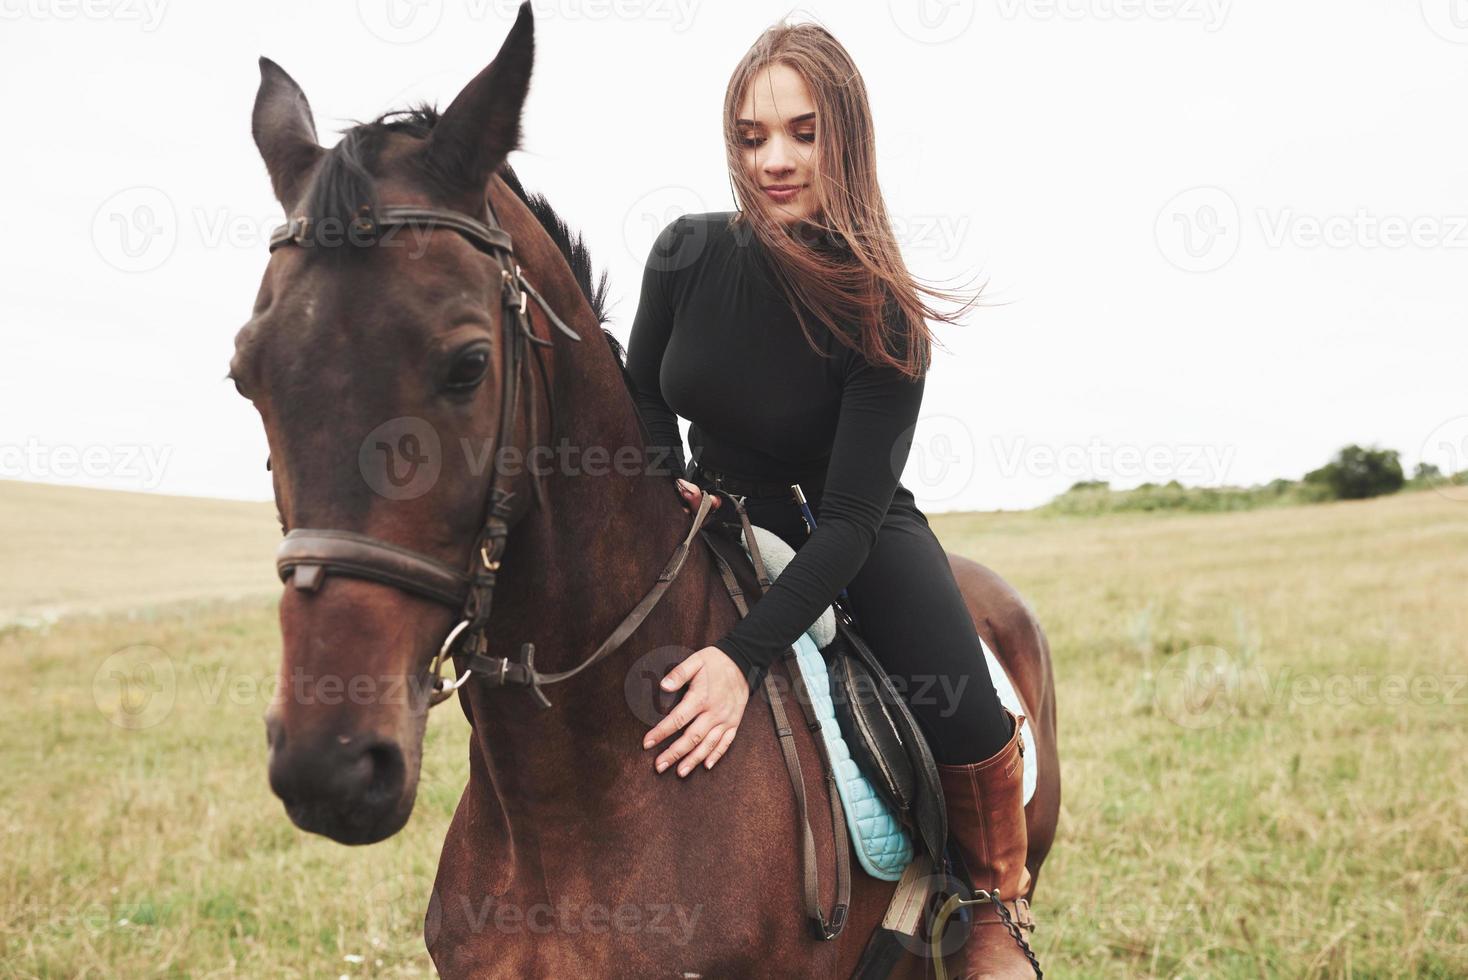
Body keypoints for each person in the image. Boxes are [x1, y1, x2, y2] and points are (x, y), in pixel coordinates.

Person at [626, 20, 1040, 977]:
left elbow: (850, 520)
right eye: (752, 136)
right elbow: (644, 386)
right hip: (704, 506)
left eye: (803, 133)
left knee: (965, 705)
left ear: (846, 136)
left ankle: (993, 909)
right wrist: (659, 483)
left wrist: (738, 659)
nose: (775, 160)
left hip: (839, 524)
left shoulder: (882, 307)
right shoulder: (685, 253)